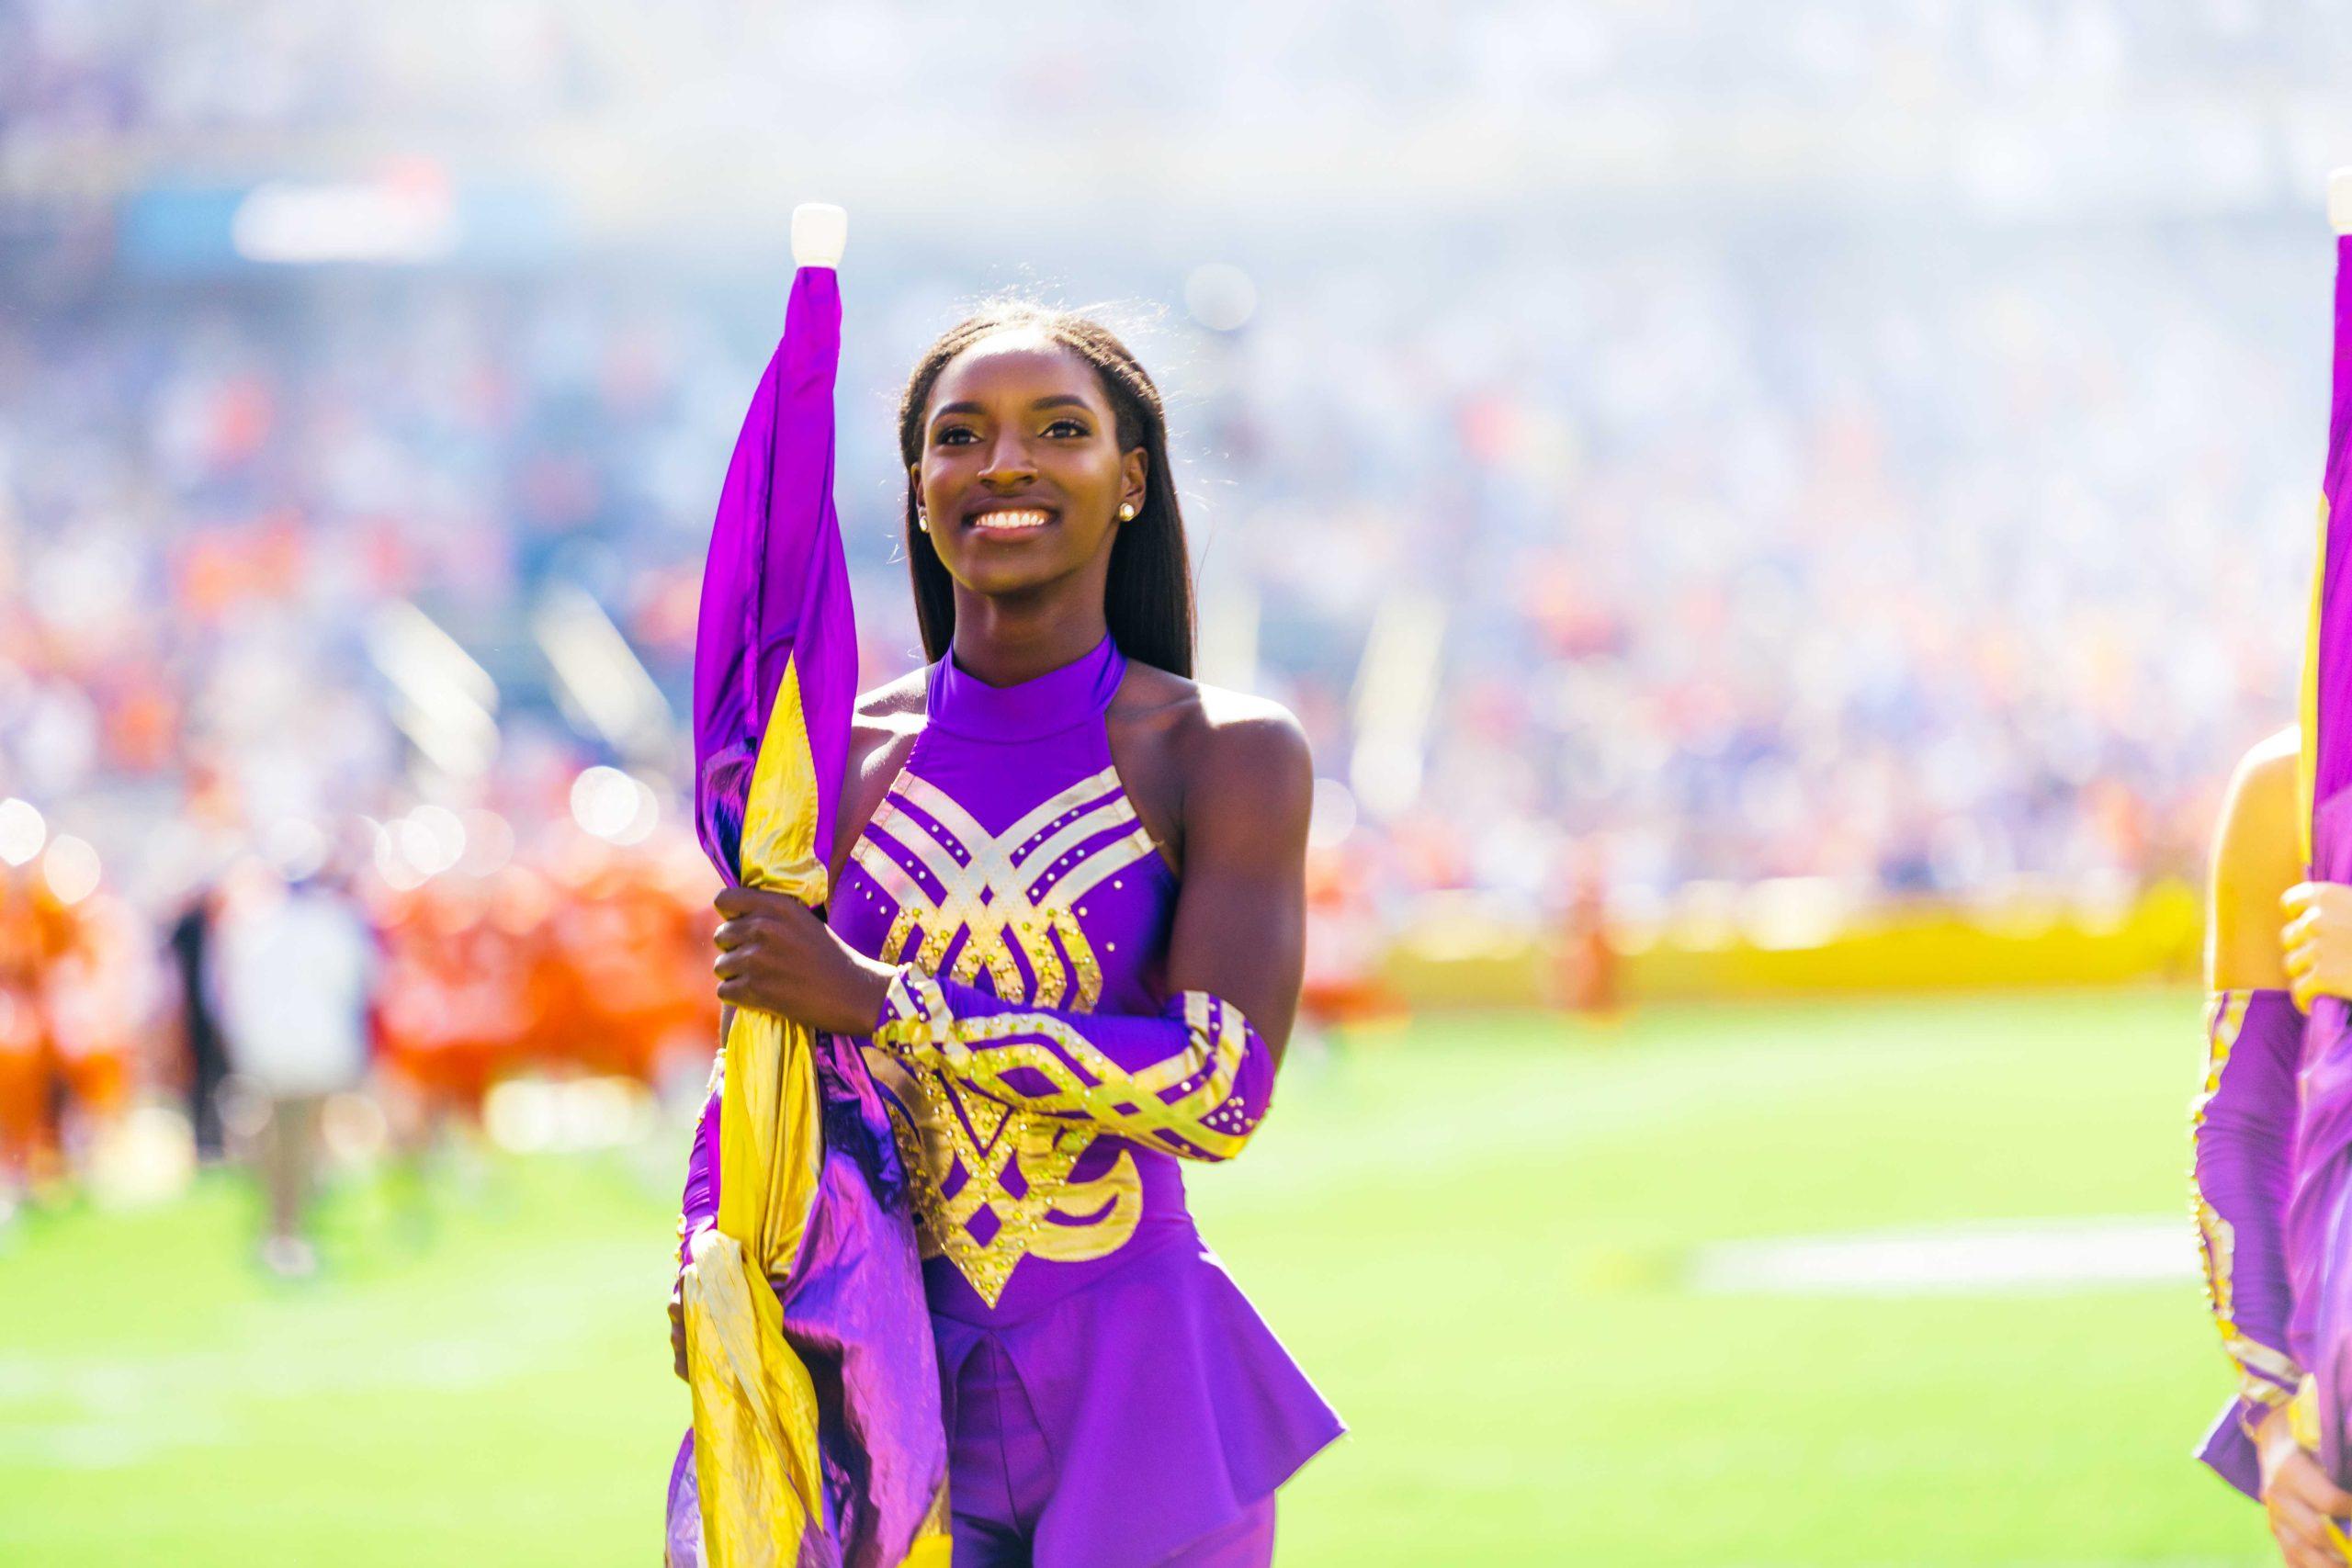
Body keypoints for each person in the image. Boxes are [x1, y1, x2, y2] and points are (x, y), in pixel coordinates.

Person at [675, 299, 1342, 1565]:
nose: (1004, 464)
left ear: (1131, 478)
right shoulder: (825, 764)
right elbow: (765, 1062)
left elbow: (1219, 1090)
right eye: (959, 436)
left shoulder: (1227, 751)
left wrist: (888, 1001)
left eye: (1059, 429)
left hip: (1143, 1393)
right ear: (919, 489)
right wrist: (706, 1250)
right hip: (885, 1392)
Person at [213, 857, 377, 1277]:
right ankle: (287, 1228)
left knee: (285, 1140)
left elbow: (226, 993)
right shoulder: (330, 925)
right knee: (296, 1142)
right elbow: (356, 982)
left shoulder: (254, 924)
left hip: (277, 1051)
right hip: (311, 1049)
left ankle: (286, 1225)